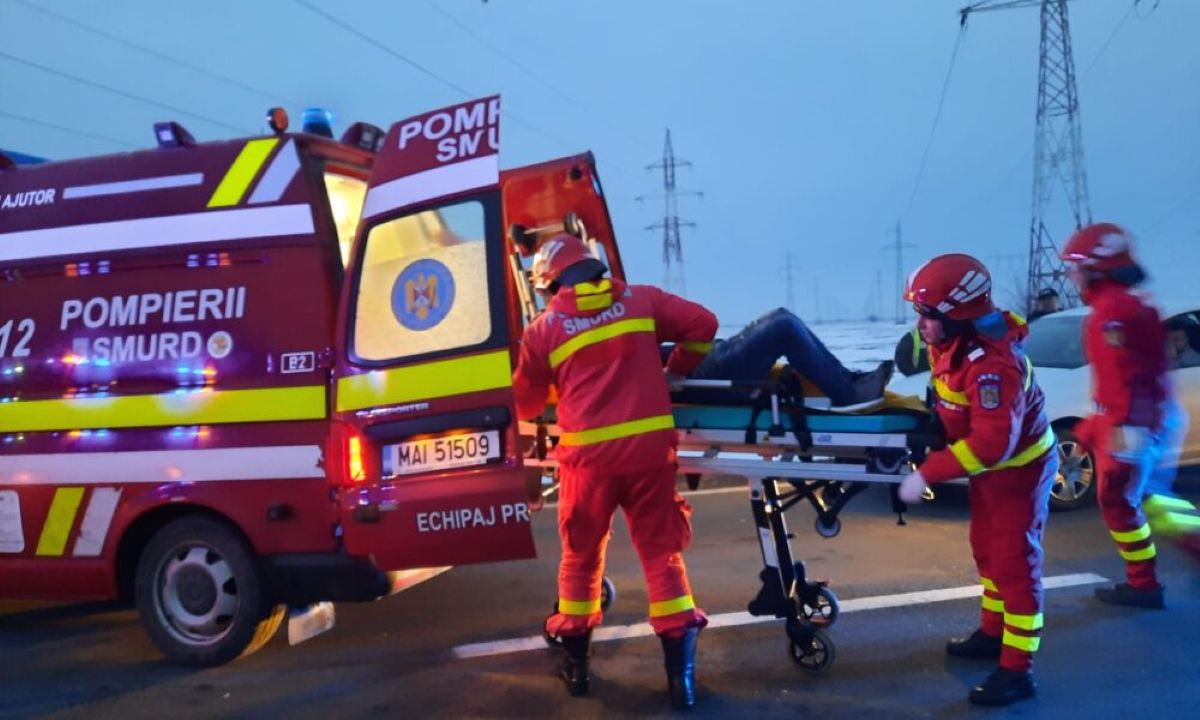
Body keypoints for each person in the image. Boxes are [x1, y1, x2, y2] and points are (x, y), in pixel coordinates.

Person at [512, 233, 717, 709]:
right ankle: (681, 682)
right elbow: (703, 324)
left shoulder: (544, 330)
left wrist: (556, 387)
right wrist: (677, 367)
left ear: (552, 283)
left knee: (581, 560)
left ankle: (578, 669)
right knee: (661, 556)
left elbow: (524, 403)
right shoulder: (641, 300)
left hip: (589, 463)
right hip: (649, 455)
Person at [897, 254, 1057, 707]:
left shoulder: (992, 367)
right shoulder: (952, 340)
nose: (920, 325)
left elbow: (991, 445)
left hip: (1018, 473)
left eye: (928, 316)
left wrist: (928, 472)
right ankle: (992, 634)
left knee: (1014, 565)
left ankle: (1018, 671)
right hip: (991, 474)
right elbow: (950, 395)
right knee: (986, 552)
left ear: (957, 316)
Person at [1060, 222, 1187, 606]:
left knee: (1127, 501)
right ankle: (1145, 581)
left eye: (1077, 267)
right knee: (1145, 498)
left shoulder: (1112, 311)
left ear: (1097, 267)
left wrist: (1113, 429)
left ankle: (1145, 583)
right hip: (1145, 419)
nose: (1072, 276)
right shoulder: (1132, 303)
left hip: (1133, 425)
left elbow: (1123, 380)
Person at [684, 308, 894, 406]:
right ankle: (848, 394)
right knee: (784, 327)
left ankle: (847, 379)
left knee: (782, 316)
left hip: (707, 355)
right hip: (703, 373)